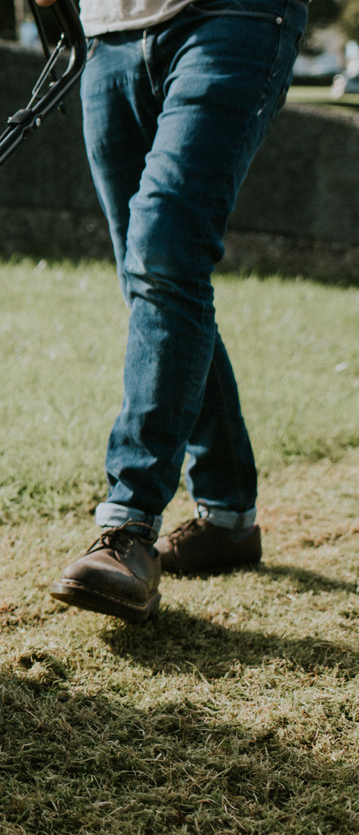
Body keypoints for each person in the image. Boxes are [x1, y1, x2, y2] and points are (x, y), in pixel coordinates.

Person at [40, 0, 308, 622]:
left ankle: (129, 526)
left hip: (234, 15)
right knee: (153, 278)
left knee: (164, 254)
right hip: (109, 31)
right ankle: (229, 515)